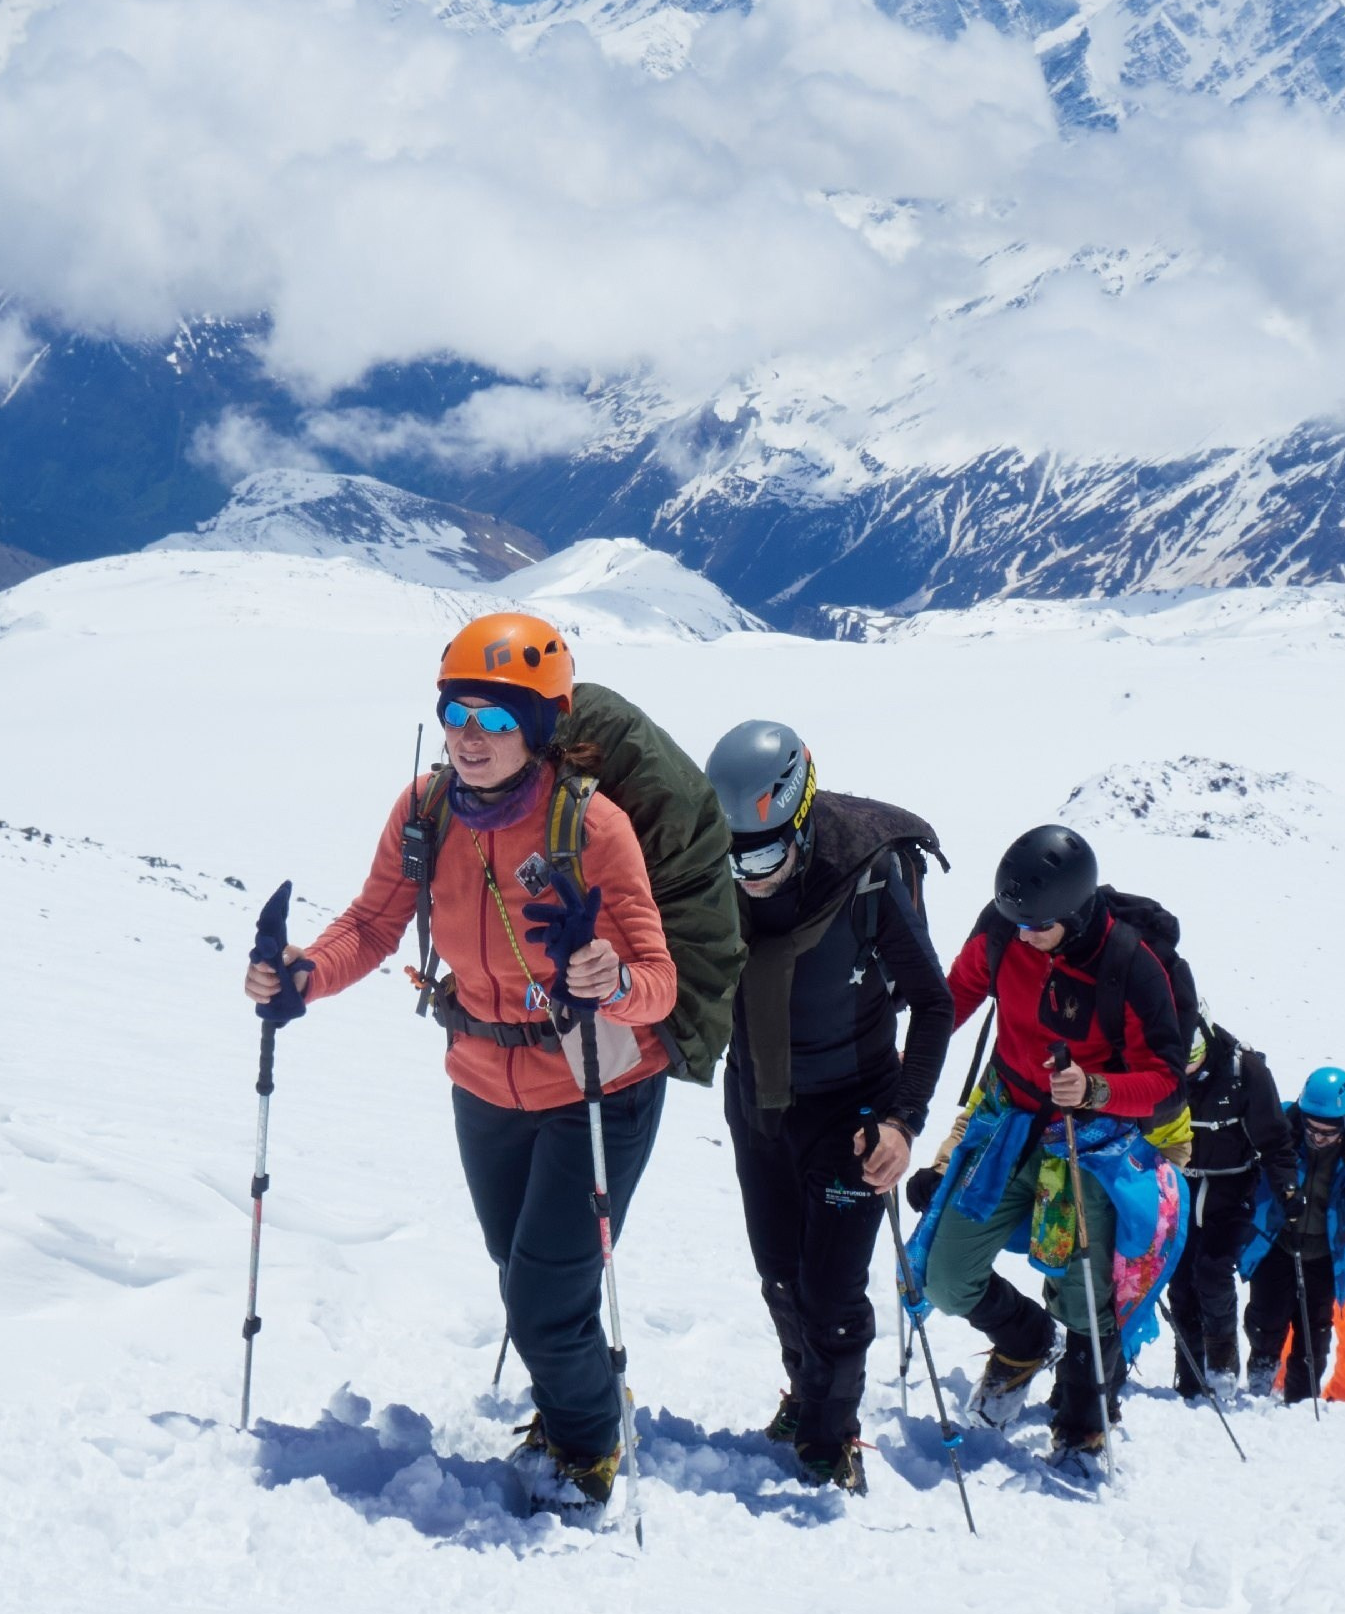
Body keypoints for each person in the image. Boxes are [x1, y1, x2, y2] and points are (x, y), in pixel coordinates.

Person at [243, 612, 678, 1507]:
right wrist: (302, 978)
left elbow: (658, 982)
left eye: (497, 718)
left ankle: (588, 1448)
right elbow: (371, 925)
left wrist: (606, 975)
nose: (470, 737)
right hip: (483, 1080)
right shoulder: (425, 811)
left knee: (547, 1297)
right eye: (457, 714)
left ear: (541, 727)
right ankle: (586, 1387)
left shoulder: (593, 828)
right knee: (521, 1270)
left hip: (599, 1085)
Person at [703, 719, 955, 1492]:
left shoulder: (868, 877)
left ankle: (830, 1434)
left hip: (852, 1114)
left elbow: (934, 1006)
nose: (748, 875)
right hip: (757, 1098)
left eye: (767, 854)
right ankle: (807, 1394)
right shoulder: (724, 859)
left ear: (801, 816)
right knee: (779, 1272)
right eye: (732, 855)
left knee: (831, 1289)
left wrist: (902, 1123)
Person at [916, 825, 1186, 1465]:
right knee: (946, 1276)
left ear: (1074, 911)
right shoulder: (1006, 924)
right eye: (1016, 922)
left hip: (1089, 1139)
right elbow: (953, 995)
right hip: (1009, 1118)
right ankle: (1024, 1340)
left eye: (1039, 926)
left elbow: (1168, 1086)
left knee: (1086, 1293)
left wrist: (1096, 1090)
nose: (1024, 935)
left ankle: (1084, 1412)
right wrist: (904, 1065)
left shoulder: (1129, 965)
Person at [1239, 1066, 1345, 1406]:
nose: (1316, 1138)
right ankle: (1259, 1388)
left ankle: (1302, 1402)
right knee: (1266, 1322)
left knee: (1314, 1333)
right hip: (1277, 1242)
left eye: (1327, 1133)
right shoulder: (1283, 1126)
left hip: (1327, 1254)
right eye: (1311, 1128)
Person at [1168, 1018, 1293, 1398]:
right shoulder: (1160, 1064)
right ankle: (1190, 1373)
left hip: (1231, 1185)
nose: (1188, 1070)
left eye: (1194, 1060)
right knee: (1180, 1279)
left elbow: (1274, 1139)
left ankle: (1221, 1364)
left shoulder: (1245, 1071)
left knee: (1213, 1271)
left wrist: (1287, 1189)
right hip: (1181, 1183)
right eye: (1180, 1063)